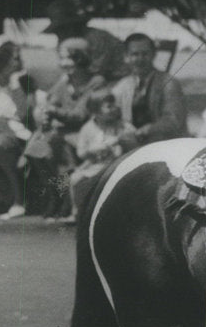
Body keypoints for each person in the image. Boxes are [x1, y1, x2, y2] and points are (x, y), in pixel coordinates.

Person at [25, 37, 106, 219]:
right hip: (64, 130)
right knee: (36, 148)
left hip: (86, 131)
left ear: (81, 59)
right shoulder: (65, 81)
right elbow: (51, 100)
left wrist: (54, 111)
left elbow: (80, 115)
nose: (64, 63)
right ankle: (55, 195)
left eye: (69, 58)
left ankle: (66, 201)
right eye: (62, 58)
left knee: (60, 146)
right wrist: (46, 113)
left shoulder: (95, 81)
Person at [0, 35, 34, 219]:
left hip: (19, 137)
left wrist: (17, 86)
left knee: (3, 144)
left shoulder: (23, 85)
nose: (19, 62)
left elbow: (27, 117)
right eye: (15, 58)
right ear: (1, 61)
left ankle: (19, 201)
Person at [112, 33, 188, 149]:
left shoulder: (168, 83)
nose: (140, 59)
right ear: (126, 57)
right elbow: (112, 115)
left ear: (153, 55)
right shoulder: (122, 86)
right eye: (135, 54)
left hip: (166, 146)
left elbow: (174, 121)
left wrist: (148, 130)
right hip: (132, 146)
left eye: (145, 54)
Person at [69, 90, 136, 219]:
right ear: (96, 112)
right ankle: (78, 211)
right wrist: (93, 150)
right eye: (108, 106)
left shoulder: (122, 126)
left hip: (119, 164)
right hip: (97, 165)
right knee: (76, 179)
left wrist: (124, 140)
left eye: (114, 105)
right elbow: (81, 152)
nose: (113, 109)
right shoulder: (88, 128)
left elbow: (134, 143)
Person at [42, 0, 128, 83]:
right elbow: (70, 71)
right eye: (58, 30)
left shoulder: (97, 38)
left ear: (72, 25)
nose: (60, 34)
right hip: (94, 80)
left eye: (63, 28)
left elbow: (98, 73)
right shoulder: (64, 43)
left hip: (120, 77)